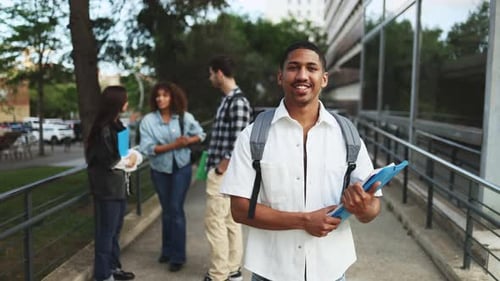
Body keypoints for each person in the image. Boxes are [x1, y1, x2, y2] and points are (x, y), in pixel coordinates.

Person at [220, 41, 382, 281]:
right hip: (271, 271)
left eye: (311, 68)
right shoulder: (253, 136)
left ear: (324, 78)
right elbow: (240, 210)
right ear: (280, 76)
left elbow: (372, 210)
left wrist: (363, 207)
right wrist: (304, 221)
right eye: (294, 67)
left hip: (331, 270)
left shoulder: (347, 134)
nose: (302, 75)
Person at [139, 81, 205, 272]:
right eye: (158, 96)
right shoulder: (148, 121)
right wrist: (173, 146)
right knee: (167, 209)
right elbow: (148, 149)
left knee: (175, 208)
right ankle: (167, 249)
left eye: (165, 95)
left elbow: (201, 135)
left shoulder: (184, 117)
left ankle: (178, 256)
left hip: (181, 168)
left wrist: (188, 140)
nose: (161, 99)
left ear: (172, 97)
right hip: (159, 170)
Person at [204, 55, 252, 281]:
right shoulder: (228, 99)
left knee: (215, 222)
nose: (210, 78)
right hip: (223, 171)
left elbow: (239, 142)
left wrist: (221, 167)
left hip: (224, 173)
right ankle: (232, 270)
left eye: (211, 73)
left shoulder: (238, 102)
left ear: (219, 73)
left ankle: (219, 274)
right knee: (229, 221)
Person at [86, 85, 137, 281]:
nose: (127, 103)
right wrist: (127, 160)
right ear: (117, 103)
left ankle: (114, 268)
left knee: (115, 231)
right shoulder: (103, 130)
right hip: (106, 189)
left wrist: (131, 158)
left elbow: (124, 154)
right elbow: (110, 160)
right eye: (124, 99)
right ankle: (103, 275)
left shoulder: (120, 127)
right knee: (105, 234)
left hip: (119, 187)